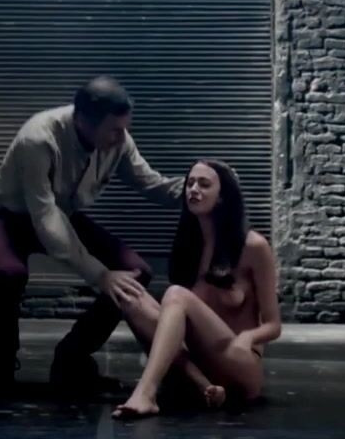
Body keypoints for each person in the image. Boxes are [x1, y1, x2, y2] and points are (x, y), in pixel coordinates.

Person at [0, 76, 184, 393]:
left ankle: (71, 359)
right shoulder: (38, 138)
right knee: (10, 274)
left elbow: (151, 183)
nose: (122, 137)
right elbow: (44, 214)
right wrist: (100, 274)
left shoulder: (119, 140)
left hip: (62, 213)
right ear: (83, 121)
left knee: (136, 272)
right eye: (114, 130)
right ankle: (2, 364)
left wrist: (201, 187)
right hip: (11, 216)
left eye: (124, 128)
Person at [112, 159, 281, 418]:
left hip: (238, 362)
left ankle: (146, 393)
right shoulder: (189, 245)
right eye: (190, 183)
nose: (193, 189)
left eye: (204, 184)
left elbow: (273, 325)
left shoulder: (253, 246)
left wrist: (247, 338)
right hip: (200, 359)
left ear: (222, 196)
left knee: (176, 294)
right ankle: (204, 385)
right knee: (131, 297)